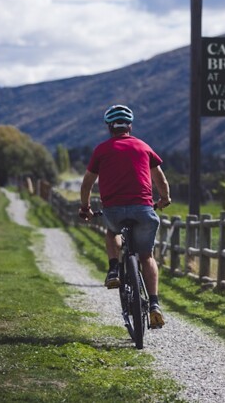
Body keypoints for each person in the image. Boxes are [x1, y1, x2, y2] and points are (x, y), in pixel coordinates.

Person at [79, 104, 171, 329]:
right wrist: (164, 199)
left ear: (110, 127)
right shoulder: (143, 146)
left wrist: (85, 207)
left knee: (112, 231)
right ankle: (155, 305)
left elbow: (87, 182)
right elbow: (160, 179)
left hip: (114, 210)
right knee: (147, 256)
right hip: (143, 209)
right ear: (129, 126)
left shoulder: (101, 150)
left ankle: (113, 269)